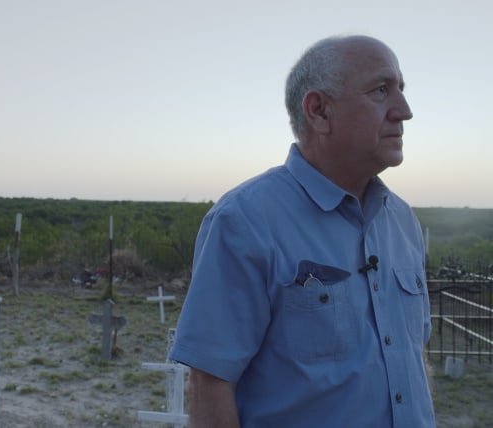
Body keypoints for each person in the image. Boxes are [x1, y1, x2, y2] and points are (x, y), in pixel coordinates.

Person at [169, 35, 435, 427]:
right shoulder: (245, 221)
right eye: (381, 90)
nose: (405, 111)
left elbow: (414, 355)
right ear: (319, 111)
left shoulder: (402, 221)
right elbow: (210, 382)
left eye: (401, 89)